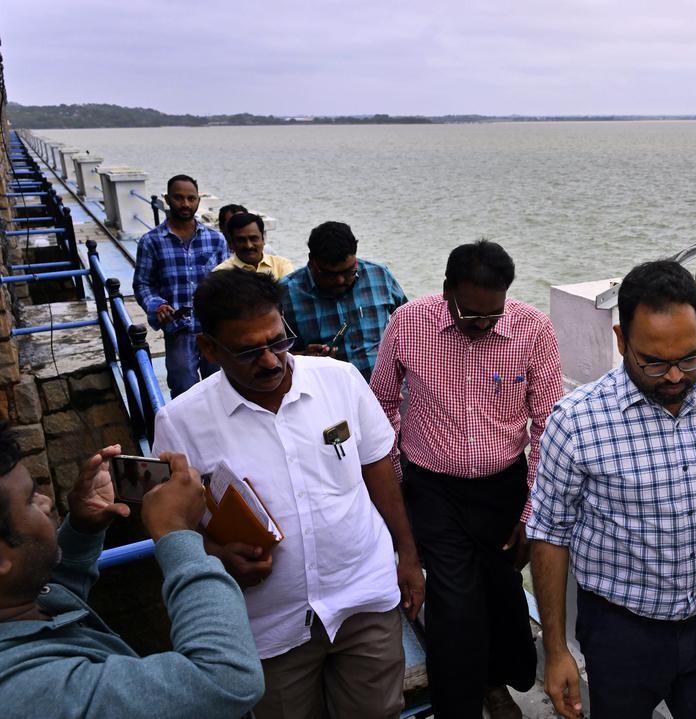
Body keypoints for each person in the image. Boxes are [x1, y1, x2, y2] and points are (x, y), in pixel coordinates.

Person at [152, 269, 424, 719]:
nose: (272, 362)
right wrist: (217, 554)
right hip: (268, 624)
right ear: (208, 349)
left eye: (279, 341)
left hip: (363, 596)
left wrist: (408, 557)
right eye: (248, 351)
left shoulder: (340, 380)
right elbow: (174, 524)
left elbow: (377, 468)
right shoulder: (181, 421)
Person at [528, 260, 696, 719]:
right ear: (621, 339)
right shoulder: (576, 422)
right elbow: (549, 535)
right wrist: (556, 650)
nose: (674, 377)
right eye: (654, 363)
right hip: (618, 635)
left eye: (690, 358)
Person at [370, 239, 563, 719]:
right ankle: (458, 706)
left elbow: (547, 425)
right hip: (433, 488)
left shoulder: (533, 329)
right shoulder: (408, 322)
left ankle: (495, 685)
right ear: (446, 290)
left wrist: (530, 510)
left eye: (492, 316)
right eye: (470, 315)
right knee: (454, 603)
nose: (482, 325)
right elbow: (381, 406)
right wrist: (399, 480)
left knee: (502, 592)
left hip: (504, 488)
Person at [0, 427, 264, 718]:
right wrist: (176, 533)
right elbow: (225, 679)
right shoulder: (28, 692)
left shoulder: (16, 607)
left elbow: (51, 598)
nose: (47, 501)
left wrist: (82, 531)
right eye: (29, 500)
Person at [133, 174, 229, 397]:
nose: (185, 204)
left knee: (222, 386)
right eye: (178, 198)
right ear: (167, 199)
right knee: (184, 390)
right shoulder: (151, 241)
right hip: (178, 329)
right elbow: (143, 284)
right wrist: (157, 306)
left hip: (213, 329)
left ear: (198, 200)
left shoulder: (216, 240)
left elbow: (225, 284)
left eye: (191, 198)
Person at [280, 221, 407, 380]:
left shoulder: (380, 275)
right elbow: (272, 353)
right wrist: (302, 357)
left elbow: (409, 324)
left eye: (349, 272)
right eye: (329, 274)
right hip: (327, 392)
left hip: (388, 388)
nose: (340, 280)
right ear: (312, 261)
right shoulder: (284, 294)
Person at [212, 213, 295, 281]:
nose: (249, 245)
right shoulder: (220, 274)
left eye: (253, 239)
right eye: (241, 240)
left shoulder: (282, 265)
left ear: (263, 239)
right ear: (231, 244)